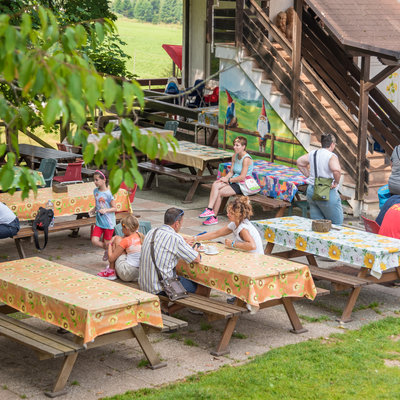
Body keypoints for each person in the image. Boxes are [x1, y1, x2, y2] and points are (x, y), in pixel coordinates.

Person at [139, 207, 202, 296]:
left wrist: (183, 244)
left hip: (144, 284)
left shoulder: (152, 232)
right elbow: (196, 259)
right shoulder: (175, 238)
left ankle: (165, 306)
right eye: (181, 223)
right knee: (201, 285)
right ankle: (169, 310)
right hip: (160, 288)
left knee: (175, 273)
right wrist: (195, 250)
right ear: (176, 223)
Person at [199, 136, 254, 226]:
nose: (234, 147)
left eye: (237, 145)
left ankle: (214, 217)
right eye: (234, 145)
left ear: (244, 146)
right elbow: (231, 172)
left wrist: (228, 180)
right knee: (216, 184)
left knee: (220, 192)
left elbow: (242, 177)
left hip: (242, 184)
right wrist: (224, 179)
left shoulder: (246, 159)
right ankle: (209, 209)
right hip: (233, 181)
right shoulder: (235, 156)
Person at [297, 132, 343, 225]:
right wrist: (336, 182)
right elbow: (336, 170)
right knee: (337, 225)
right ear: (332, 144)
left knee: (318, 224)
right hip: (326, 191)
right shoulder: (331, 156)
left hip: (312, 190)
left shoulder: (313, 153)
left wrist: (309, 176)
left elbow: (300, 162)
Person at [192, 196, 263, 254]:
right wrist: (194, 238)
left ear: (239, 215)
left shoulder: (243, 228)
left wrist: (233, 244)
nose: (227, 215)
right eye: (228, 212)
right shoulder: (235, 224)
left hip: (254, 257)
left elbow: (252, 246)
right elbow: (216, 233)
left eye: (231, 213)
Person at [98, 215, 143, 281]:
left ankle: (111, 271)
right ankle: (112, 269)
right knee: (122, 245)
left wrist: (110, 243)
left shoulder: (126, 240)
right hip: (139, 273)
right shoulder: (140, 236)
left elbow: (111, 259)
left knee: (117, 239)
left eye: (122, 228)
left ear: (127, 228)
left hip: (126, 273)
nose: (121, 230)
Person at [90, 169, 117, 270]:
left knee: (106, 243)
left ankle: (111, 254)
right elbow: (98, 204)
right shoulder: (95, 191)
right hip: (99, 222)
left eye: (97, 180)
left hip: (108, 223)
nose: (95, 182)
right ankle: (109, 249)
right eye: (94, 180)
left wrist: (106, 210)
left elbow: (115, 208)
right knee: (94, 240)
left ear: (104, 180)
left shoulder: (109, 193)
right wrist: (94, 209)